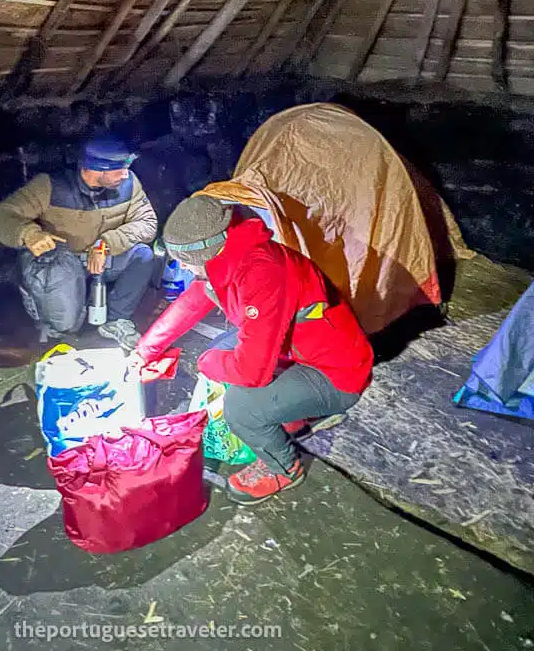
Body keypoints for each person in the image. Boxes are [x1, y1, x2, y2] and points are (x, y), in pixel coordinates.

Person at [130, 196, 373, 505]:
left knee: (241, 408)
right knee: (224, 350)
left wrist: (202, 363)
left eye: (183, 260)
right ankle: (291, 414)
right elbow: (192, 302)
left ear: (205, 252)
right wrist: (146, 349)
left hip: (336, 371)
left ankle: (284, 469)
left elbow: (251, 372)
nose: (180, 267)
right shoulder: (228, 256)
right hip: (297, 351)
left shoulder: (262, 273)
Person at [0, 135, 158, 347]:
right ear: (96, 169)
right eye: (118, 169)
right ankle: (55, 316)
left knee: (142, 255)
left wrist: (106, 243)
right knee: (65, 326)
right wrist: (29, 233)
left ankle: (116, 320)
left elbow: (148, 222)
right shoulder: (49, 187)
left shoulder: (129, 183)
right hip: (64, 262)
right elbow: (0, 217)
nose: (125, 174)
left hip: (103, 256)